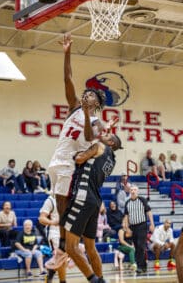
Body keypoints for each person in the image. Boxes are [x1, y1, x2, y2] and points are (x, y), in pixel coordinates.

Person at [48, 34, 106, 257]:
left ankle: (64, 245)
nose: (86, 94)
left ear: (97, 104)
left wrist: (84, 112)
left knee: (63, 203)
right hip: (55, 160)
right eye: (86, 92)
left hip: (70, 164)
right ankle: (65, 243)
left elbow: (91, 137)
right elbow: (67, 78)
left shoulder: (96, 121)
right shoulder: (74, 106)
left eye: (91, 94)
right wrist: (67, 52)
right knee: (58, 202)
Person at [60, 107, 123, 283]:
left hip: (82, 196)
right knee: (90, 247)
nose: (103, 134)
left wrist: (75, 154)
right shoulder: (111, 159)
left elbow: (80, 159)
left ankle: (95, 280)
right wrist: (108, 126)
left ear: (110, 142)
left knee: (70, 247)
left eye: (107, 135)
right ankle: (101, 279)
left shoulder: (100, 146)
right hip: (95, 201)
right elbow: (102, 136)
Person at [123, 184, 155, 274]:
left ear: (137, 191)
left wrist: (152, 224)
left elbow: (149, 212)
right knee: (137, 247)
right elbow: (126, 216)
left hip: (142, 225)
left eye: (134, 190)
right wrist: (127, 227)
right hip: (133, 227)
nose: (133, 191)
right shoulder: (127, 202)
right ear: (129, 191)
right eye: (131, 190)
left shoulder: (142, 200)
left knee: (141, 245)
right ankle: (143, 266)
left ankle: (140, 267)